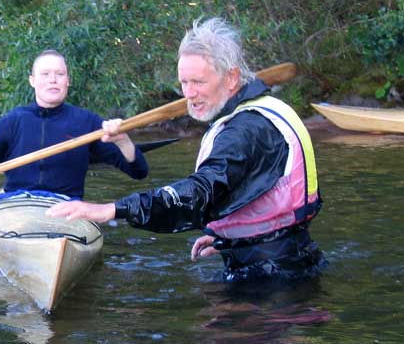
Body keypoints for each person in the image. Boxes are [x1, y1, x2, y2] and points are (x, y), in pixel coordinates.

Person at [46, 18, 327, 286]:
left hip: (273, 278)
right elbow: (253, 187)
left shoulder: (246, 130)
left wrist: (112, 210)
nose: (189, 94)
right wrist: (228, 238)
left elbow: (199, 193)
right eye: (184, 83)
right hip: (285, 258)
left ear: (231, 78)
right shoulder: (262, 109)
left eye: (199, 83)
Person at [0, 49, 149, 204]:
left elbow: (139, 172)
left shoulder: (87, 122)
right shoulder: (11, 121)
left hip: (65, 206)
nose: (53, 79)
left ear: (68, 81)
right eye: (45, 74)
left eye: (59, 74)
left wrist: (123, 141)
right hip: (16, 206)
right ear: (33, 81)